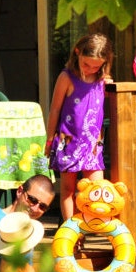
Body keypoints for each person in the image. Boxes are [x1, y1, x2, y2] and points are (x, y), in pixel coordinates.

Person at [45, 33, 113, 221]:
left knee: (96, 190)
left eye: (96, 66)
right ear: (77, 53)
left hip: (93, 143)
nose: (90, 69)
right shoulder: (66, 77)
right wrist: (50, 140)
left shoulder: (101, 80)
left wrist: (108, 86)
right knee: (68, 189)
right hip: (68, 141)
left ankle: (92, 225)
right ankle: (71, 229)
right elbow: (55, 110)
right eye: (86, 64)